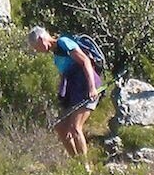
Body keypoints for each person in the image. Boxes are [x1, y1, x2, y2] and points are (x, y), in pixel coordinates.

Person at [28, 27, 104, 161]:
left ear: (41, 39)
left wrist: (92, 88)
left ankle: (85, 168)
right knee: (61, 126)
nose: (37, 51)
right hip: (75, 92)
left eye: (36, 47)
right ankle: (77, 163)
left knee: (75, 128)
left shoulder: (63, 42)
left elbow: (85, 61)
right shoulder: (56, 55)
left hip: (87, 88)